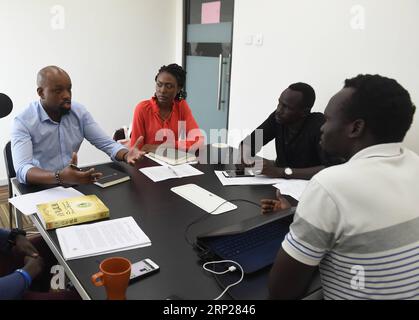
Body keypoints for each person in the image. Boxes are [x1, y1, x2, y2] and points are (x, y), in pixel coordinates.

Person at [264, 74, 418, 300]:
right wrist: (297, 213)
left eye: (327, 120)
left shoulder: (331, 184)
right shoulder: (414, 162)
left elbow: (281, 292)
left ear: (356, 128)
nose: (323, 128)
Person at [11, 66, 145, 186]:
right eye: (58, 91)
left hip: (71, 181)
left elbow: (107, 143)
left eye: (69, 89)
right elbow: (23, 169)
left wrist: (126, 154)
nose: (67, 95)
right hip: (39, 185)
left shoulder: (79, 112)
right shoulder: (23, 121)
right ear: (41, 93)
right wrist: (59, 177)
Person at [240, 82, 339, 180]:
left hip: (308, 188)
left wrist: (281, 172)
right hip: (280, 184)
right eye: (279, 103)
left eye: (286, 107)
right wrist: (246, 158)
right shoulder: (278, 118)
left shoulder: (319, 125)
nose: (279, 110)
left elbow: (332, 169)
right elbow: (249, 143)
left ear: (304, 112)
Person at [130, 64, 204, 153]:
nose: (162, 90)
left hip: (172, 162)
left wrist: (169, 145)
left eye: (169, 86)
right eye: (159, 84)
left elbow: (198, 141)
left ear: (178, 89)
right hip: (147, 164)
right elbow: (136, 149)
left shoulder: (181, 106)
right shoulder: (142, 109)